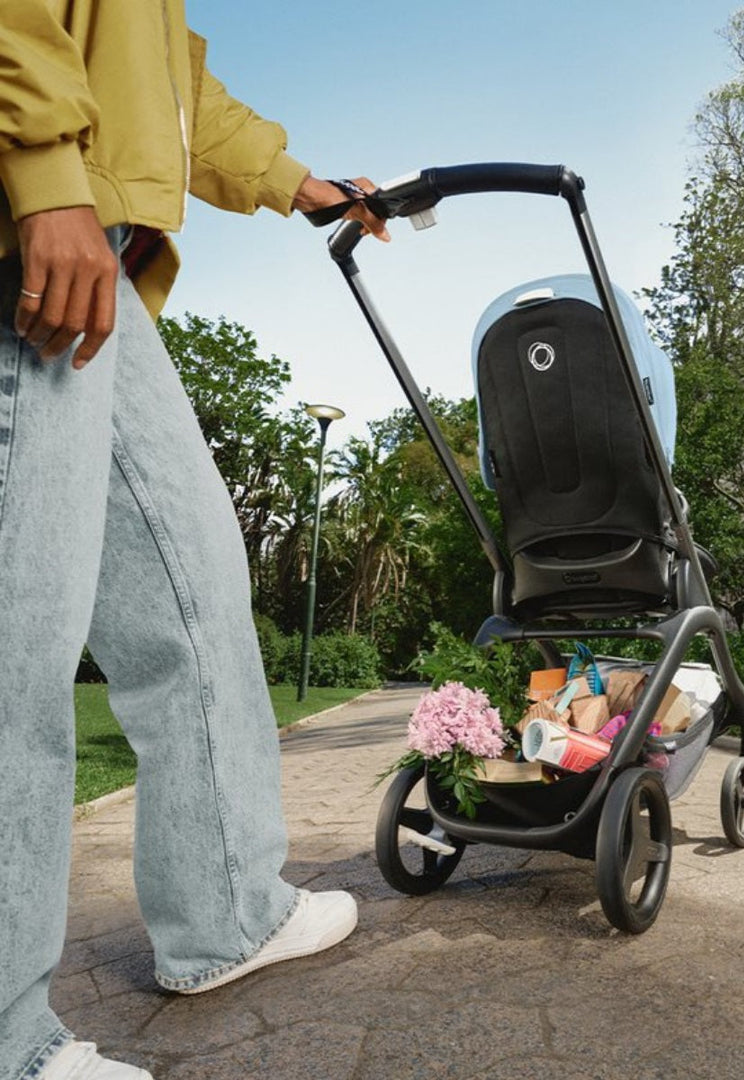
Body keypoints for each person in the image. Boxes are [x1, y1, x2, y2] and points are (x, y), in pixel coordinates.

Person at [0, 4, 388, 1078]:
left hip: (105, 236)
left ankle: (227, 912)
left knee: (194, 591)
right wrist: (38, 171)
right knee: (17, 636)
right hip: (40, 213)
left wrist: (294, 180)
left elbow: (162, 74)